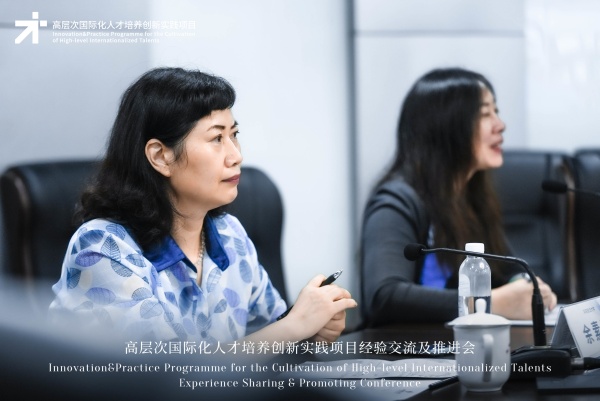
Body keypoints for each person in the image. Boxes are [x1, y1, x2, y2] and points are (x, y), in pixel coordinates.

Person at [49, 67, 357, 343]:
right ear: (160, 156)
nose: (236, 156)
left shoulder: (230, 235)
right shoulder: (102, 248)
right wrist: (292, 328)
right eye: (217, 139)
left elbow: (266, 339)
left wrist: (310, 328)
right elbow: (166, 376)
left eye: (234, 135)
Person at [360, 67, 557, 326]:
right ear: (446, 126)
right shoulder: (396, 201)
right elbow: (384, 297)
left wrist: (526, 287)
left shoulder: (471, 197)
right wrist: (488, 302)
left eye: (496, 111)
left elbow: (509, 270)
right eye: (485, 114)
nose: (500, 125)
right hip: (406, 348)